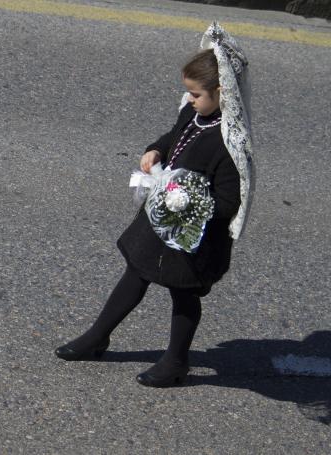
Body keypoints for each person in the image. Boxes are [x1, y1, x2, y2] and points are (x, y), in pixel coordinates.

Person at [55, 23, 254, 388]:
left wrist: (186, 200)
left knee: (184, 294)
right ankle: (98, 335)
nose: (190, 100)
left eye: (195, 94)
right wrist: (157, 149)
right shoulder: (193, 115)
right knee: (136, 271)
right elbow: (173, 136)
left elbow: (227, 203)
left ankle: (177, 360)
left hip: (194, 237)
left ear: (221, 92)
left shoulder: (228, 146)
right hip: (160, 221)